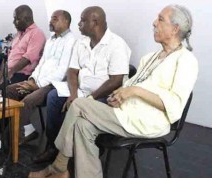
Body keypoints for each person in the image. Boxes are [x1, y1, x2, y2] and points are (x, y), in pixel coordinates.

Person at [28, 4, 198, 178]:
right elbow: (130, 84)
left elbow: (175, 106)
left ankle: (58, 166)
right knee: (81, 125)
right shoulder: (151, 57)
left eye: (161, 19)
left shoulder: (186, 61)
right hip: (125, 112)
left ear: (175, 29)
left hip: (147, 121)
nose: (154, 23)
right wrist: (119, 95)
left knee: (78, 104)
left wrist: (134, 91)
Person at [31, 6, 131, 164]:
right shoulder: (81, 43)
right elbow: (72, 71)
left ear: (95, 22)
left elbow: (116, 80)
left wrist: (89, 98)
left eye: (83, 21)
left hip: (104, 97)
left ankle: (83, 150)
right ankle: (53, 147)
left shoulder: (116, 44)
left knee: (79, 110)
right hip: (81, 91)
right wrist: (73, 94)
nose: (78, 24)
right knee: (53, 97)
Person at [0, 10, 76, 156]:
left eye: (55, 19)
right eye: (51, 18)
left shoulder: (72, 41)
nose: (50, 21)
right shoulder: (52, 39)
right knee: (9, 91)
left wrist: (38, 85)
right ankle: (27, 130)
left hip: (53, 85)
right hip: (37, 81)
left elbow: (62, 71)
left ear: (66, 22)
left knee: (26, 102)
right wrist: (32, 80)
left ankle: (1, 142)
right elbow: (41, 64)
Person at [0, 5, 46, 90]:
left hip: (21, 74)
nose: (14, 22)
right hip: (7, 72)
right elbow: (7, 56)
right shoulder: (18, 35)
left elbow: (28, 58)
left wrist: (11, 72)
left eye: (17, 19)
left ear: (27, 19)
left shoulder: (37, 33)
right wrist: (2, 71)